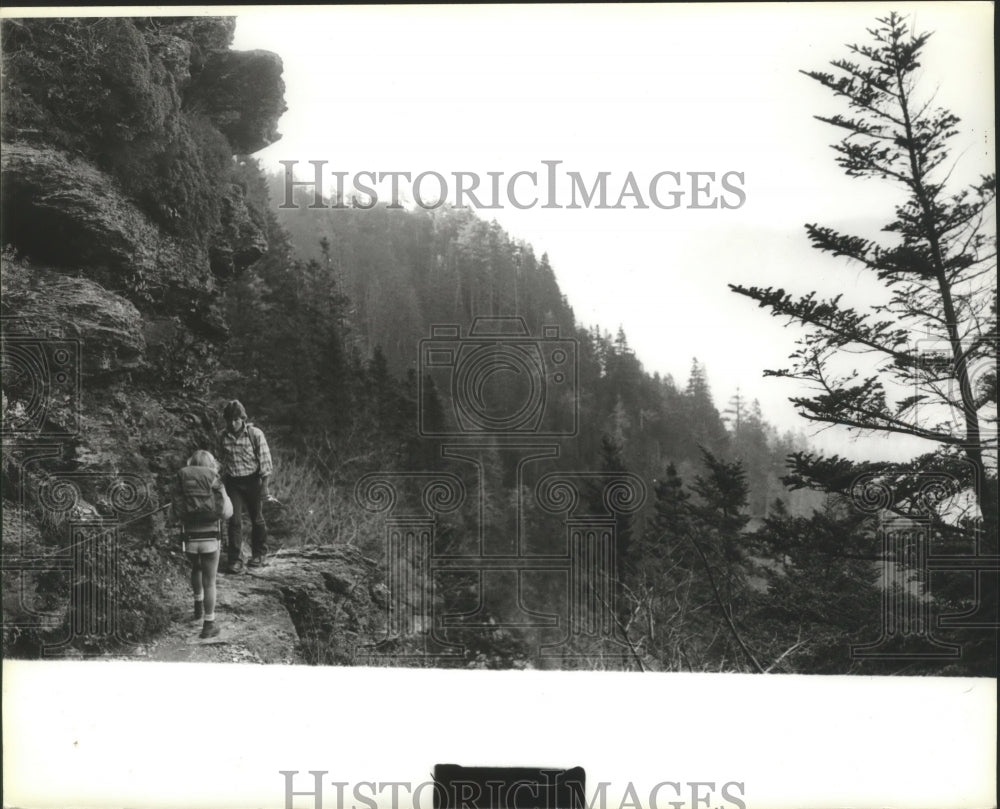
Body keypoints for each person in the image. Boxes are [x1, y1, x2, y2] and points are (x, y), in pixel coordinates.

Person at [176, 450, 232, 639]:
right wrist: (223, 491)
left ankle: (198, 607)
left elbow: (174, 513)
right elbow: (227, 513)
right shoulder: (215, 482)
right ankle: (208, 624)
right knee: (210, 582)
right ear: (211, 465)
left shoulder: (184, 483)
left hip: (190, 541)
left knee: (196, 569)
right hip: (210, 541)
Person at [217, 400, 274, 573]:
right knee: (234, 521)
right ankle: (235, 559)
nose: (232, 423)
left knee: (256, 517)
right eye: (229, 420)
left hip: (253, 481)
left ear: (242, 418)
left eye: (236, 419)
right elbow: (220, 461)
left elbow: (266, 462)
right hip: (233, 482)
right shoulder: (222, 436)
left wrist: (264, 487)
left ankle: (259, 553)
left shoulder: (254, 434)